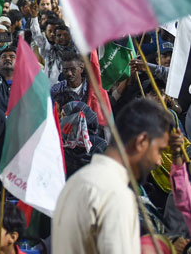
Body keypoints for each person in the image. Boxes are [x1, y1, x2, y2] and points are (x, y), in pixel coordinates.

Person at [52, 98, 173, 253]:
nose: (158, 161)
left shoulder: (77, 180)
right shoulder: (116, 195)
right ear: (141, 141)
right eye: (159, 151)